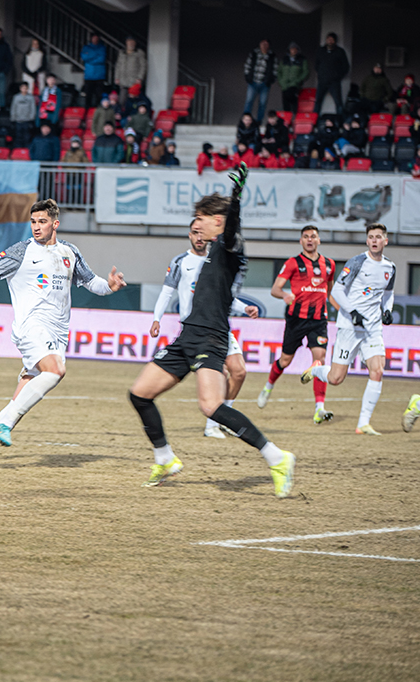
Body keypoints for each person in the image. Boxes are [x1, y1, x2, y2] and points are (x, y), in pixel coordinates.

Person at [128, 168, 297, 497]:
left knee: (211, 406)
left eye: (202, 219)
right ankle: (165, 459)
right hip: (187, 337)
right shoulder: (208, 251)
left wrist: (235, 200)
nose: (197, 225)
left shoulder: (230, 246)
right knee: (139, 394)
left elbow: (232, 230)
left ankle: (277, 458)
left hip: (211, 338)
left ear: (217, 221)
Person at [0, 199, 126, 468]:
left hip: (57, 334)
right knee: (56, 370)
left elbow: (91, 282)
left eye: (42, 222)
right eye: (33, 222)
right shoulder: (22, 251)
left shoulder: (69, 252)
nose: (36, 227)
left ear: (55, 224)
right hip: (31, 326)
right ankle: (2, 425)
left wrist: (110, 286)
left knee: (21, 400)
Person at [151, 219, 260, 438]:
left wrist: (244, 307)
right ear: (189, 235)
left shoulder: (217, 260)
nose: (199, 237)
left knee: (239, 371)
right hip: (196, 329)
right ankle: (212, 425)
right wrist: (156, 318)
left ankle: (224, 418)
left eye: (202, 233)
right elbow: (166, 292)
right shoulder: (180, 261)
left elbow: (225, 296)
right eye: (195, 232)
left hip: (218, 324)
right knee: (220, 372)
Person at [302, 223, 396, 436]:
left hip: (372, 328)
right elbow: (336, 291)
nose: (374, 240)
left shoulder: (390, 267)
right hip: (349, 327)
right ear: (367, 240)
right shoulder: (357, 262)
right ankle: (316, 370)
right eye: (371, 237)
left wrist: (387, 310)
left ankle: (363, 423)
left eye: (378, 237)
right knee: (336, 379)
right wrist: (353, 312)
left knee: (377, 370)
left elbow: (388, 293)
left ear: (385, 240)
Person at [255, 226, 337, 423]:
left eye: (313, 236)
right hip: (296, 319)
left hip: (318, 320)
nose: (309, 240)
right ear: (301, 241)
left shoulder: (330, 264)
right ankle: (269, 386)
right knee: (285, 361)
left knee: (320, 359)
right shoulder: (293, 263)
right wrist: (285, 295)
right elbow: (275, 289)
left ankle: (319, 408)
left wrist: (343, 310)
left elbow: (330, 292)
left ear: (319, 240)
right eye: (305, 237)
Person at [315, 32, 350, 116]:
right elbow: (316, 65)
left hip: (334, 82)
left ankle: (340, 121)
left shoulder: (340, 51)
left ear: (335, 41)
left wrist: (338, 77)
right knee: (318, 102)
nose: (330, 41)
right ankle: (314, 120)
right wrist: (320, 74)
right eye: (328, 39)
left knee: (338, 103)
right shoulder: (321, 50)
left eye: (332, 39)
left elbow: (345, 67)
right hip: (322, 81)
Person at [243, 39, 277, 123]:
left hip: (264, 84)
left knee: (262, 103)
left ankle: (259, 121)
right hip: (253, 82)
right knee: (249, 101)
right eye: (262, 44)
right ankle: (246, 121)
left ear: (268, 45)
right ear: (260, 44)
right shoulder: (254, 53)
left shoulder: (272, 56)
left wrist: (271, 80)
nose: (264, 46)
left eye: (266, 44)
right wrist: (247, 77)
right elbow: (247, 65)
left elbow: (275, 69)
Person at [114, 37, 147, 107]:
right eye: (129, 42)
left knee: (133, 101)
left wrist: (140, 78)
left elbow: (143, 66)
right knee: (122, 100)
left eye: (132, 42)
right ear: (126, 42)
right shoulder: (122, 53)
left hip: (134, 81)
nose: (130, 43)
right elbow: (118, 65)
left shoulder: (139, 53)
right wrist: (117, 77)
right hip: (123, 80)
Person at [278, 42, 309, 114]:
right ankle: (287, 119)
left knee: (294, 102)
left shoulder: (302, 59)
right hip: (284, 85)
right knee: (285, 103)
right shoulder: (284, 59)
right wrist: (281, 81)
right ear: (289, 50)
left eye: (295, 49)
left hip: (295, 85)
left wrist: (298, 80)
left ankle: (294, 117)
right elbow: (279, 72)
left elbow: (306, 72)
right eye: (292, 49)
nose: (294, 50)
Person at [80, 34, 107, 110]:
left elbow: (102, 59)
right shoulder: (86, 47)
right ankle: (87, 110)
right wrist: (96, 55)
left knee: (99, 95)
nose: (95, 40)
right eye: (94, 38)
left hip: (99, 75)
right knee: (88, 94)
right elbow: (84, 57)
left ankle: (99, 110)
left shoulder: (102, 48)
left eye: (96, 38)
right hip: (89, 75)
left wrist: (90, 58)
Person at [9, 82, 37, 148]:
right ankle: (18, 150)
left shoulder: (31, 97)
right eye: (23, 88)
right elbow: (13, 108)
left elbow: (33, 108)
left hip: (27, 121)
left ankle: (26, 150)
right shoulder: (16, 97)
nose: (24, 89)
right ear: (20, 88)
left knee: (27, 136)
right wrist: (13, 118)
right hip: (18, 120)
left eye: (25, 88)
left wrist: (31, 118)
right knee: (18, 136)